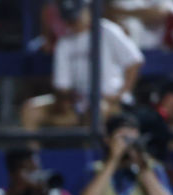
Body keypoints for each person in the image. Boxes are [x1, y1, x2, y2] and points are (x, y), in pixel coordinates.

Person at [21, 0, 143, 130]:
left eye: (76, 16)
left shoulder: (107, 31)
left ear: (87, 11)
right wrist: (65, 103)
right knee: (31, 109)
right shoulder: (65, 42)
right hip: (79, 102)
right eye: (70, 18)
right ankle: (32, 151)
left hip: (111, 100)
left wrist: (121, 93)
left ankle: (93, 150)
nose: (73, 22)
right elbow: (63, 86)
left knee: (97, 110)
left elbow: (134, 61)